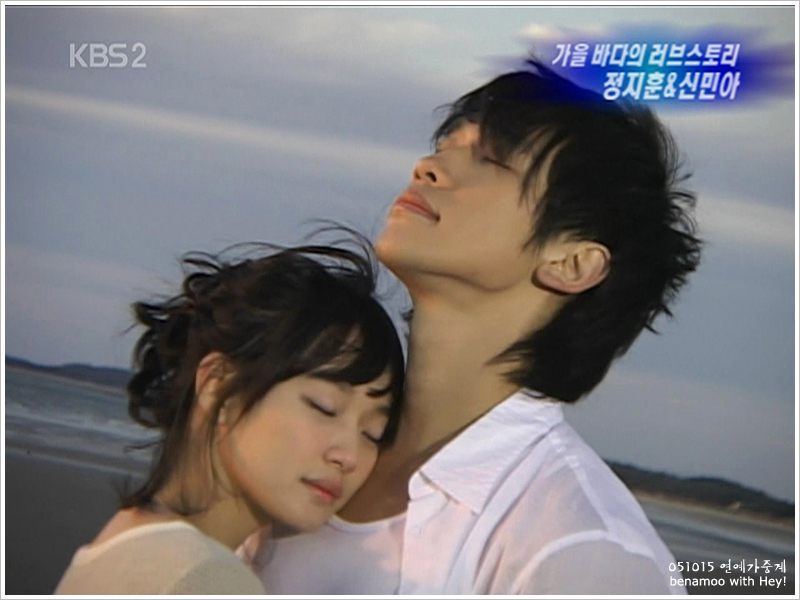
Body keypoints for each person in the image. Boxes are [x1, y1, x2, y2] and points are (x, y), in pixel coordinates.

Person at [246, 58, 702, 594]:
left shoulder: (581, 548)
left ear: (572, 262)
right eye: (444, 146)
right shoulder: (296, 436)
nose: (428, 167)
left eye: (491, 159)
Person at [55, 239, 405, 594]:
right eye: (324, 406)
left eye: (373, 433)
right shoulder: (205, 578)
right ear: (217, 383)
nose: (349, 456)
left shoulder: (122, 543)